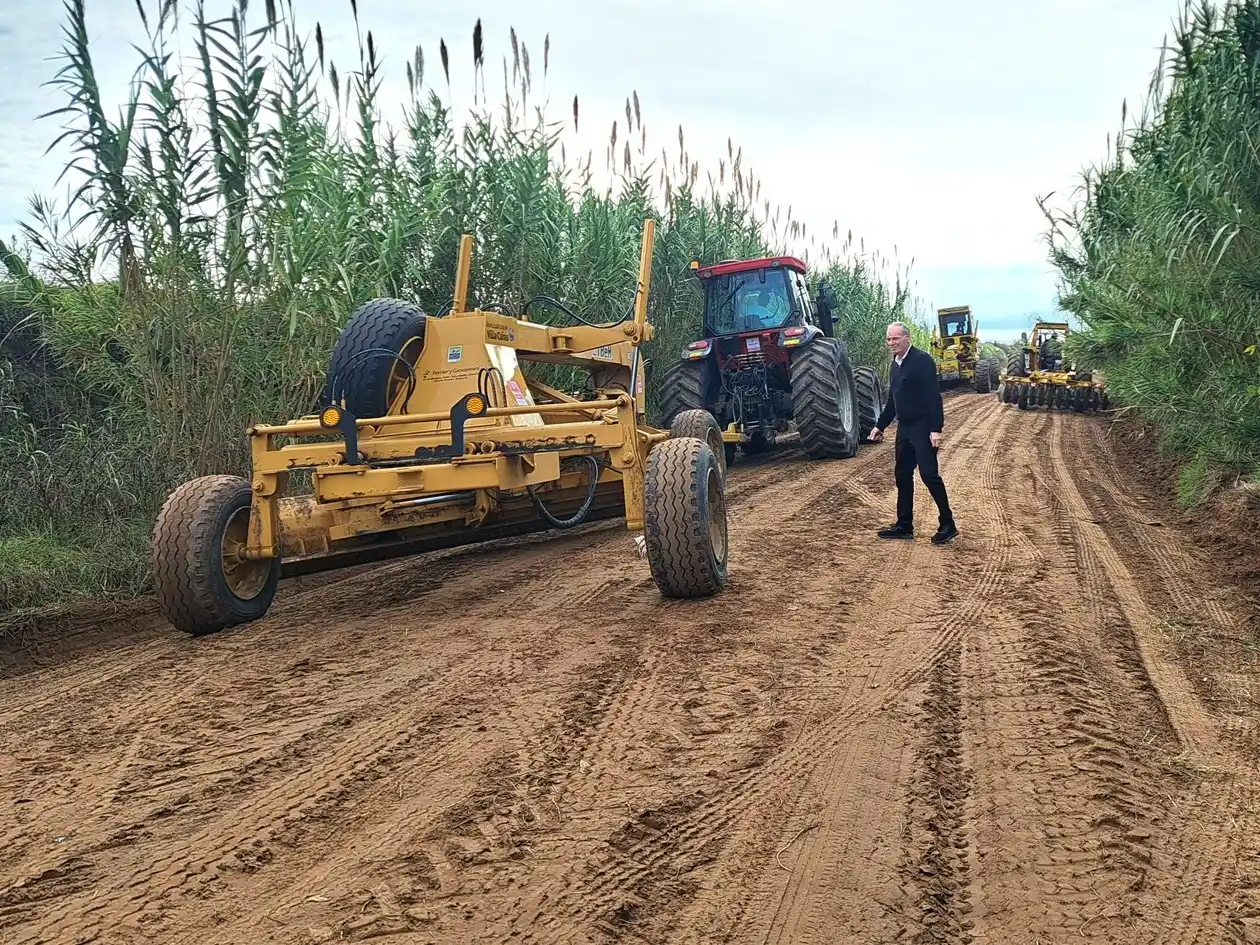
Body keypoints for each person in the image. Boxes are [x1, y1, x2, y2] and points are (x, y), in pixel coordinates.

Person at [867, 321, 958, 544]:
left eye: (895, 339)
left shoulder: (922, 360)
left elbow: (933, 397)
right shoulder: (895, 364)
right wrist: (880, 426)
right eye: (888, 339)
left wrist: (936, 429)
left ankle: (948, 523)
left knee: (929, 475)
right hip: (904, 428)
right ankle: (904, 524)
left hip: (923, 427)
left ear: (907, 338)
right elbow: (892, 401)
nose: (891, 343)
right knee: (902, 475)